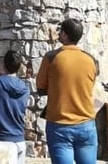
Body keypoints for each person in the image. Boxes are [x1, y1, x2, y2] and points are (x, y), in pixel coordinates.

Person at [36, 17, 99, 164]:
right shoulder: (91, 59)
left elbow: (41, 88)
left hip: (59, 124)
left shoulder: (51, 57)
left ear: (64, 35)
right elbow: (89, 86)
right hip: (86, 122)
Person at [0, 49, 30, 164]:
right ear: (19, 67)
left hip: (1, 139)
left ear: (4, 64)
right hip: (19, 140)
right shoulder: (25, 87)